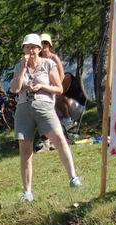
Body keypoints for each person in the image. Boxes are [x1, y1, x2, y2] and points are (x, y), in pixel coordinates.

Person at [11, 33, 82, 203]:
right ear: (23, 49)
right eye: (27, 47)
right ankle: (27, 192)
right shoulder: (18, 66)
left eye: (34, 47)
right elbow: (14, 89)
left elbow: (59, 88)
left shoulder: (49, 64)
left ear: (39, 48)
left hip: (44, 106)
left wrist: (42, 86)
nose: (31, 50)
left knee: (59, 139)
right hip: (23, 109)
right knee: (25, 150)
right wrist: (21, 69)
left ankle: (73, 177)